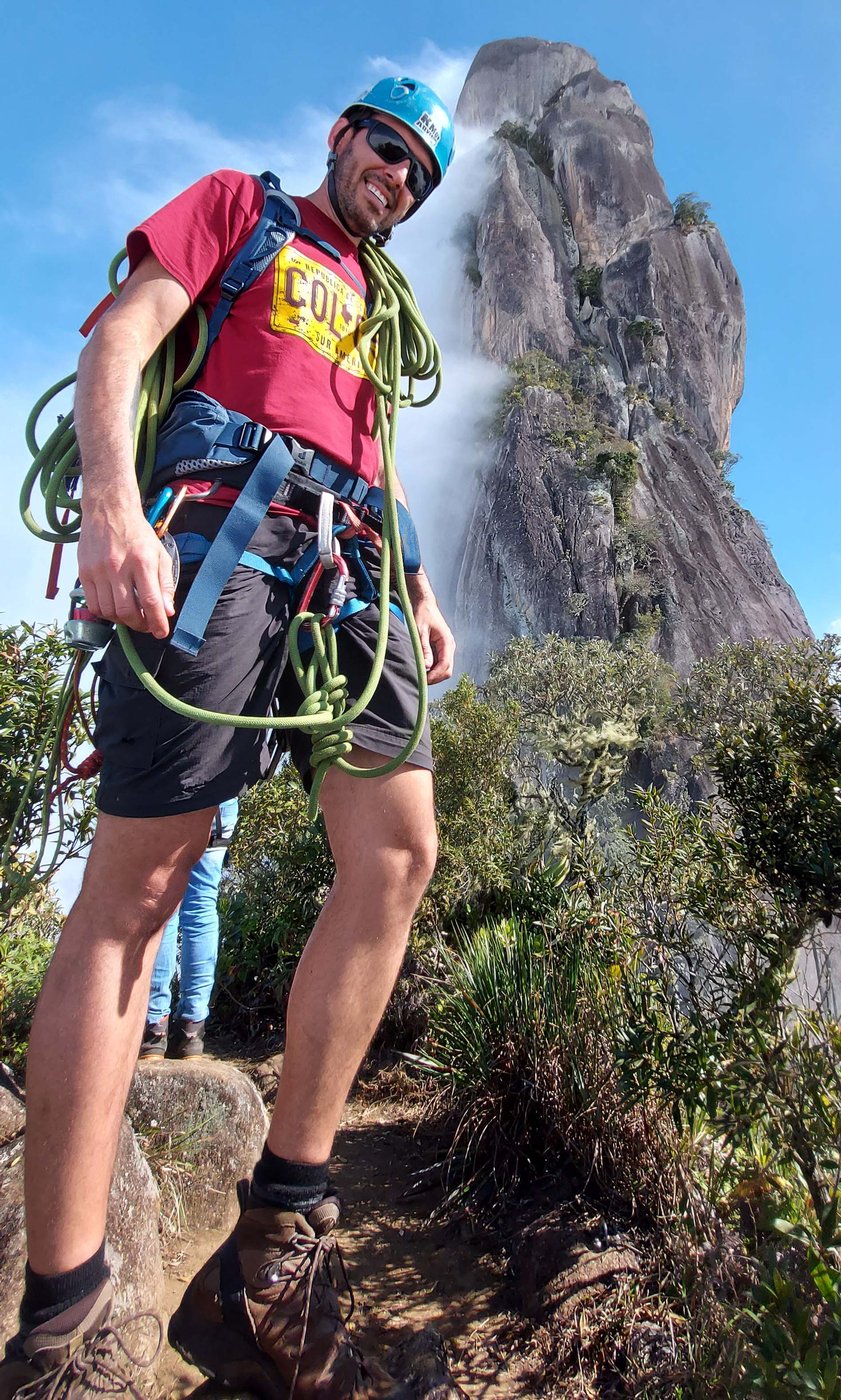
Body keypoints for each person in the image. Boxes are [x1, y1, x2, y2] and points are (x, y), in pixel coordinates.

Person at [1, 76, 456, 1400]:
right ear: (341, 137)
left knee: (398, 856)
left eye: (423, 173)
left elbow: (381, 455)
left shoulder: (379, 302)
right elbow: (120, 338)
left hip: (354, 566)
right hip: (223, 532)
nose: (402, 180)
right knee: (145, 882)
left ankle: (279, 1239)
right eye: (390, 150)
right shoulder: (237, 210)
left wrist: (419, 590)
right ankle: (65, 1323)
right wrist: (109, 509)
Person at [139, 797, 240, 1060]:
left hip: (174, 786)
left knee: (165, 905)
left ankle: (154, 1027)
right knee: (202, 904)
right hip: (223, 798)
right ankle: (191, 1030)